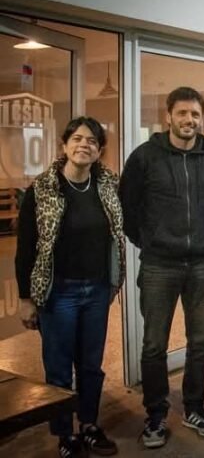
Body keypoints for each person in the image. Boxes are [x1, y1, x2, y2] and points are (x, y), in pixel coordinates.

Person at [119, 86, 204, 448]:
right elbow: (127, 207)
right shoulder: (144, 157)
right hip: (159, 265)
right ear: (168, 116)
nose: (189, 120)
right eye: (182, 113)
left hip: (202, 264)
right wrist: (150, 241)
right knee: (154, 345)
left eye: (195, 114)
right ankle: (155, 415)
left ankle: (195, 408)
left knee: (200, 343)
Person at [16, 116, 125, 458]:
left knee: (91, 365)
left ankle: (89, 424)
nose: (84, 145)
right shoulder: (42, 189)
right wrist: (25, 299)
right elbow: (25, 248)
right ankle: (65, 435)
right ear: (64, 145)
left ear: (99, 150)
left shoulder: (108, 186)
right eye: (77, 138)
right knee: (59, 367)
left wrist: (114, 280)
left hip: (97, 290)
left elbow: (117, 236)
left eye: (92, 141)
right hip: (58, 293)